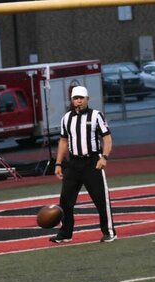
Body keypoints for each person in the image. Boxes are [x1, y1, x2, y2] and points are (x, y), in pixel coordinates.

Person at [51, 85, 115, 243]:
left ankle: (109, 231)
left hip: (92, 162)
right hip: (73, 163)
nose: (78, 101)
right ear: (72, 100)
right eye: (75, 98)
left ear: (87, 99)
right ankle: (66, 233)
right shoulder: (66, 118)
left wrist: (104, 157)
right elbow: (63, 141)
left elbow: (106, 138)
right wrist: (58, 163)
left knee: (100, 198)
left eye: (81, 98)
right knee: (65, 199)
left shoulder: (96, 116)